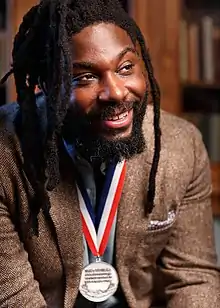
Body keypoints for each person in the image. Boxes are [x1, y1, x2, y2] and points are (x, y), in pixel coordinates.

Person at [0, 0, 219, 307]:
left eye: (126, 67)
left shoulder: (181, 144)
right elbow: (13, 296)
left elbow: (193, 276)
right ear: (46, 87)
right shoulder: (4, 154)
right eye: (85, 77)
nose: (116, 92)